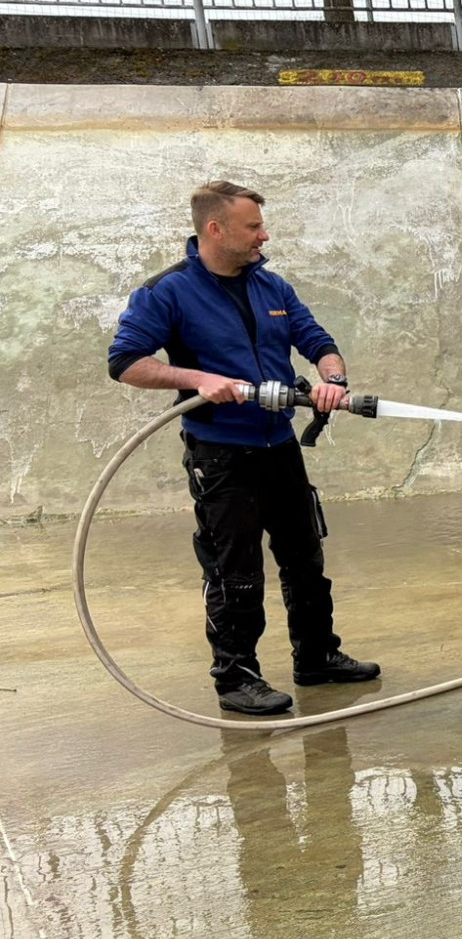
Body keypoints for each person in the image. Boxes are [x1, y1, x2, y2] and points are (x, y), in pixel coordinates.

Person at [106, 181, 379, 716]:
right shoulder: (168, 292)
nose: (263, 234)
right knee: (235, 569)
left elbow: (317, 342)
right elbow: (125, 361)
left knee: (305, 557)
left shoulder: (271, 287)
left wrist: (333, 378)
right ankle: (236, 678)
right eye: (253, 226)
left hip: (279, 445)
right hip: (222, 453)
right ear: (216, 228)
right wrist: (198, 378)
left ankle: (317, 657)